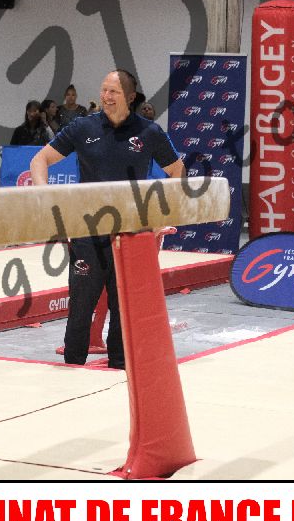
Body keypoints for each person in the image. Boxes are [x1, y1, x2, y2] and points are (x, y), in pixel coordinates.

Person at [29, 69, 184, 370]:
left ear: (130, 97)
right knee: (81, 305)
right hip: (87, 231)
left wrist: (160, 214)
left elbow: (176, 171)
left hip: (131, 233)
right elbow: (40, 160)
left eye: (114, 91)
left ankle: (119, 365)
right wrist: (44, 195)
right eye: (104, 90)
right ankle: (73, 364)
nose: (106, 97)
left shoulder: (149, 132)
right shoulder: (82, 127)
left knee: (122, 306)